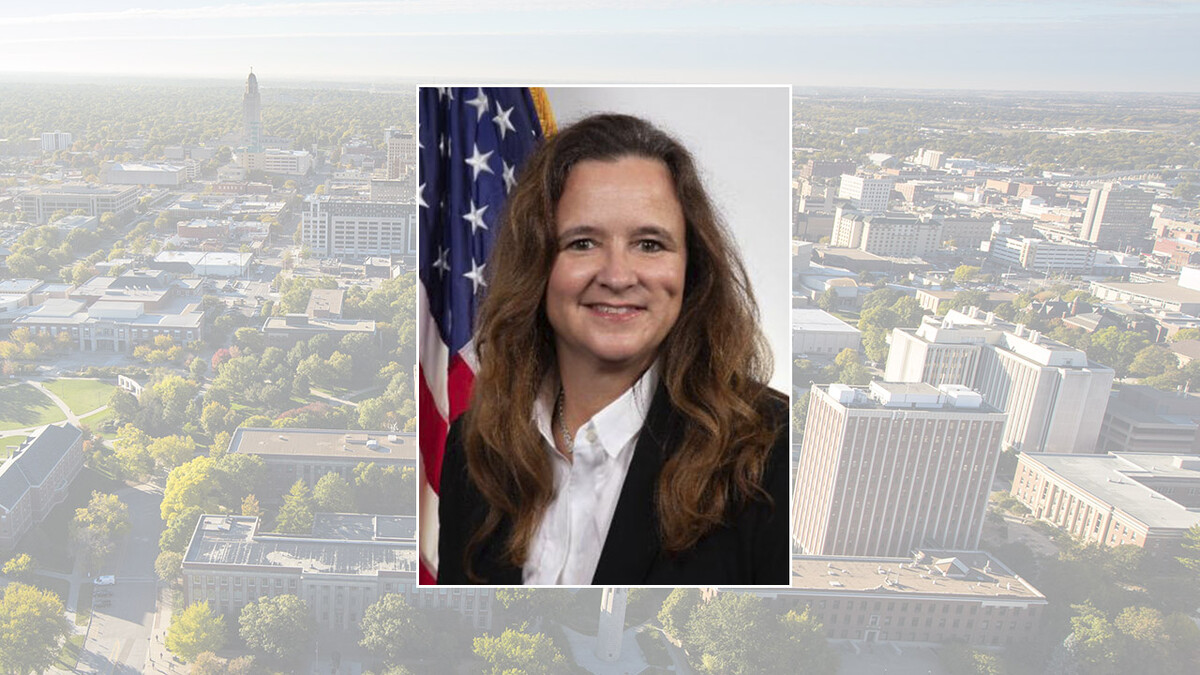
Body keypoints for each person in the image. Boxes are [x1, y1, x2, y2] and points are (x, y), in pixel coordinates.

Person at [437, 113, 788, 585]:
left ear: (692, 268)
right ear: (536, 264)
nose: (619, 276)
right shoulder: (474, 445)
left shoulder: (776, 454)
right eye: (582, 243)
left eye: (650, 244)